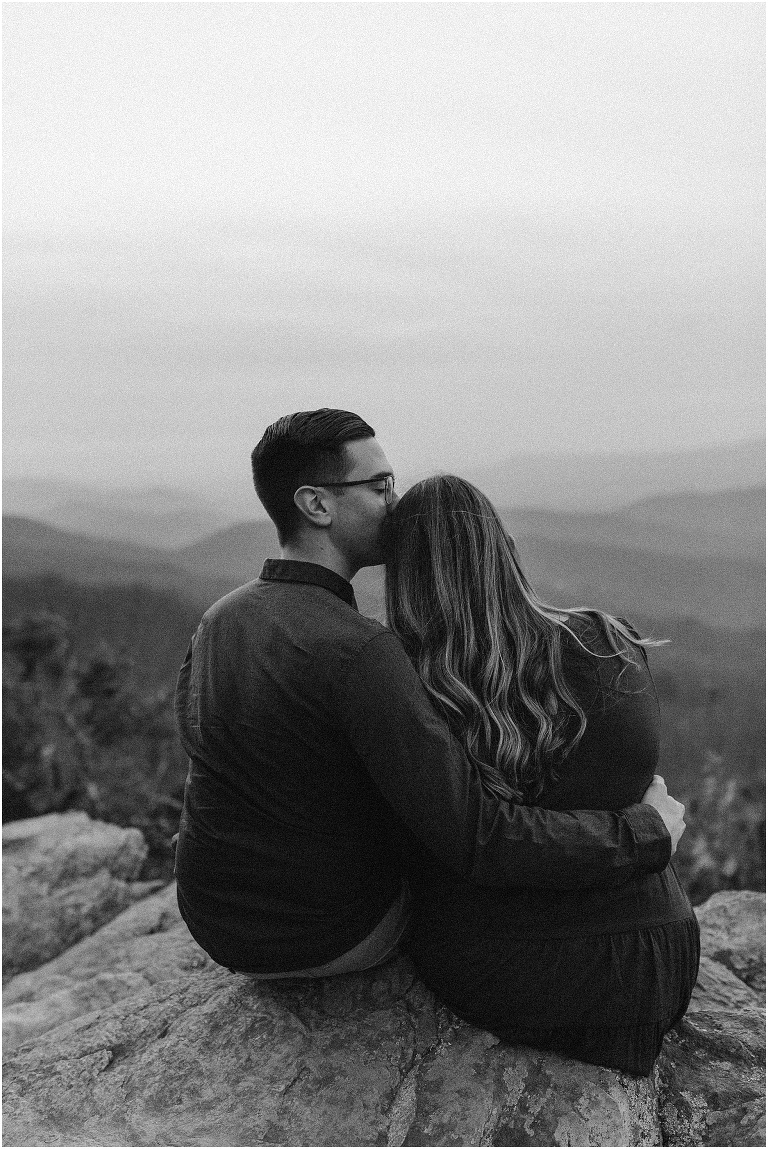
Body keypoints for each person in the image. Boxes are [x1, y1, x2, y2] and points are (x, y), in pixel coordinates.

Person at [174, 408, 685, 981]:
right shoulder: (361, 651)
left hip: (214, 920)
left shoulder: (219, 619)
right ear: (316, 504)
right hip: (329, 935)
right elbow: (474, 835)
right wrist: (644, 831)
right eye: (378, 486)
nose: (394, 503)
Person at [383, 474, 700, 1076]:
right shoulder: (610, 639)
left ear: (406, 579)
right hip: (662, 955)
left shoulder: (413, 684)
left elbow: (475, 840)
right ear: (500, 546)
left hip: (529, 969)